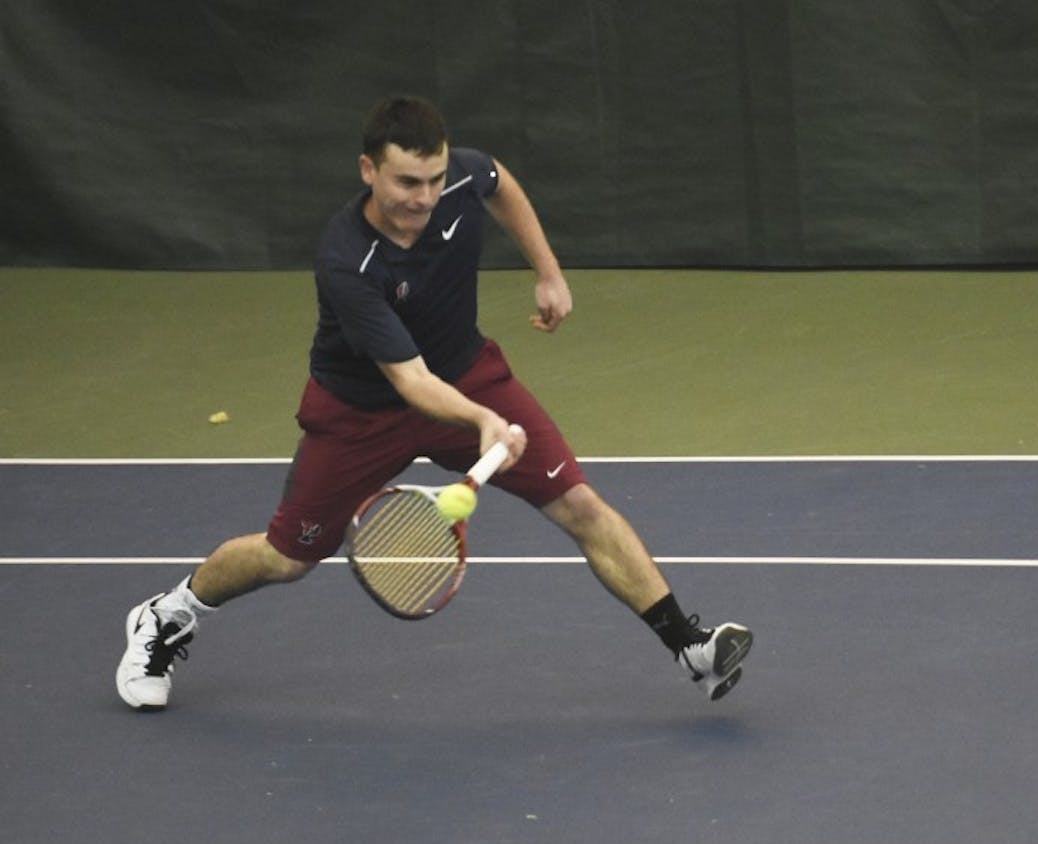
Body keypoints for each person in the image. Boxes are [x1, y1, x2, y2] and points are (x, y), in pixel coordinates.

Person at [115, 95, 752, 710]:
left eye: (434, 179)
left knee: (580, 505)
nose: (423, 197)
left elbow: (499, 183)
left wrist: (548, 271)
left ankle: (688, 648)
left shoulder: (461, 177)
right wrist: (484, 422)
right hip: (361, 413)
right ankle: (169, 614)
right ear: (369, 171)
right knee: (287, 559)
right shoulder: (348, 260)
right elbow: (410, 382)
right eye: (406, 181)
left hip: (469, 373)